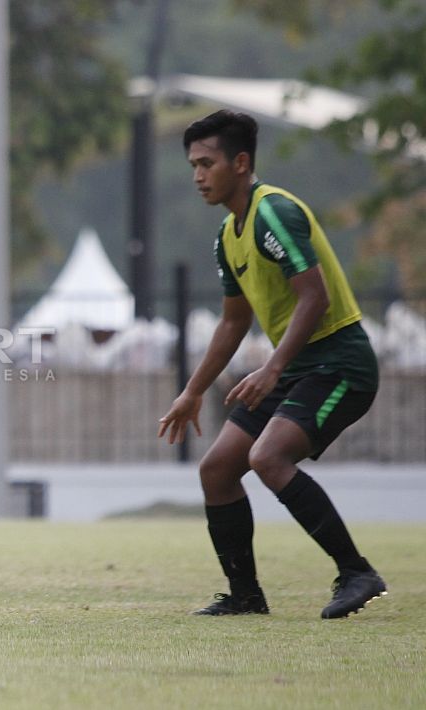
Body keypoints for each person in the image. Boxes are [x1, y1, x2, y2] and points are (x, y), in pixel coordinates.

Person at [159, 109, 386, 619]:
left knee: (266, 458)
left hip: (339, 364)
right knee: (217, 469)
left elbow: (314, 298)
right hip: (298, 368)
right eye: (192, 164)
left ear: (241, 163)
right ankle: (245, 596)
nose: (198, 175)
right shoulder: (227, 235)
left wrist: (272, 369)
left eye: (207, 163)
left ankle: (357, 572)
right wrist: (193, 391)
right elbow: (232, 323)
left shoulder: (273, 213)